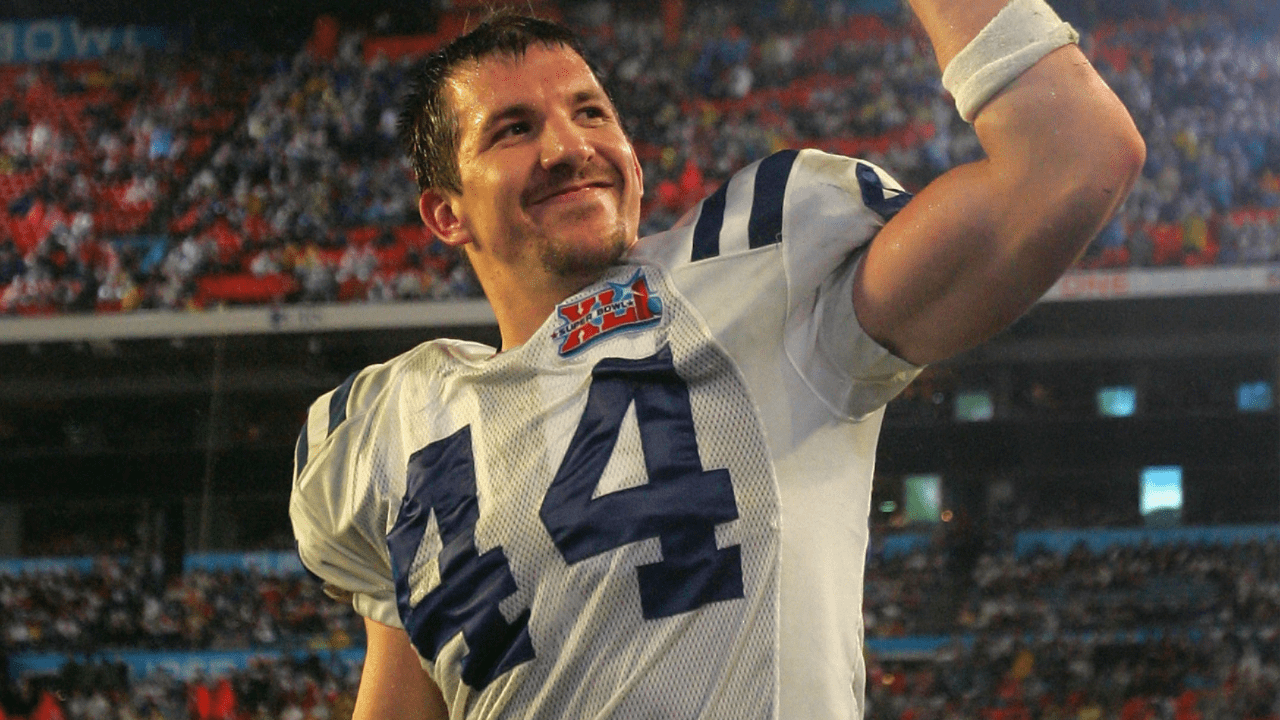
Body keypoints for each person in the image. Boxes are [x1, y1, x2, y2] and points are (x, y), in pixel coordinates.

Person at [289, 1, 1144, 718]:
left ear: (634, 161)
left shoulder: (756, 275)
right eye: (514, 129)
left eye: (591, 113)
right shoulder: (396, 430)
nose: (569, 146)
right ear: (446, 214)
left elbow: (1072, 160)